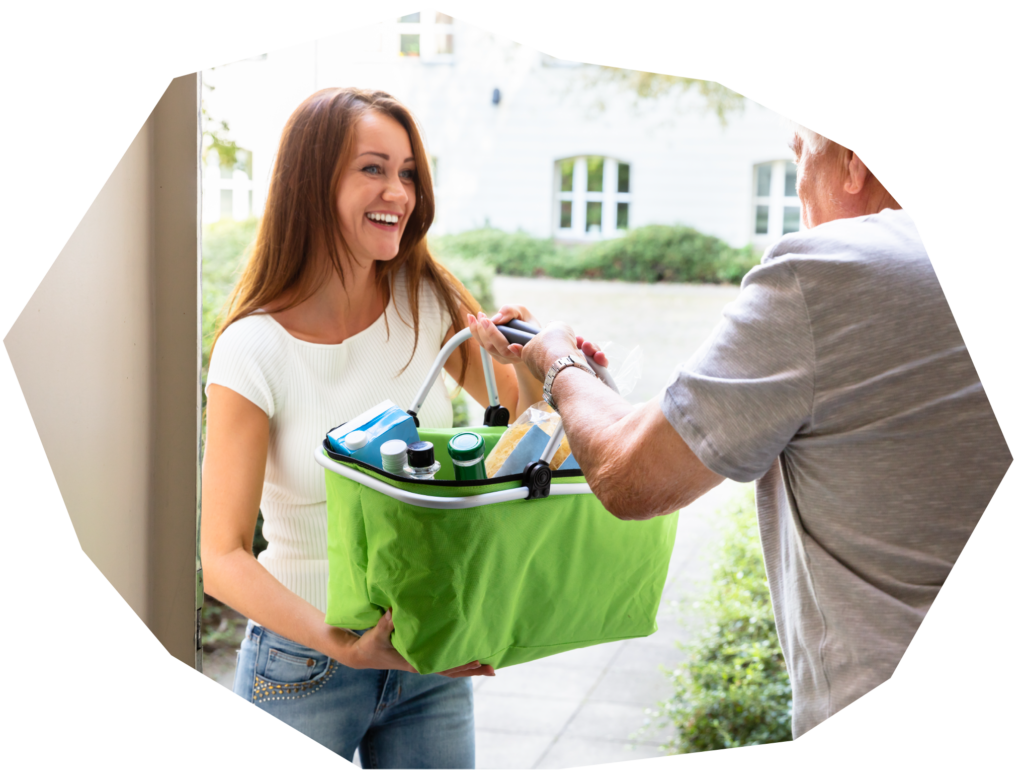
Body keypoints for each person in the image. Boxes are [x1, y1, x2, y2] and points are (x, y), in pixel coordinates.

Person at [469, 128, 1013, 739]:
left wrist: (557, 362)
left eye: (800, 157)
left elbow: (632, 478)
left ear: (854, 162)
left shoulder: (829, 272)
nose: (800, 187)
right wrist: (594, 391)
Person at [201, 87, 544, 768]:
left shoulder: (428, 301)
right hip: (302, 667)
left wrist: (529, 362)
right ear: (312, 182)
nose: (400, 191)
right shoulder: (254, 348)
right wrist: (341, 643)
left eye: (409, 171)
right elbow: (224, 560)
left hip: (429, 654)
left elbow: (527, 434)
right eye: (374, 168)